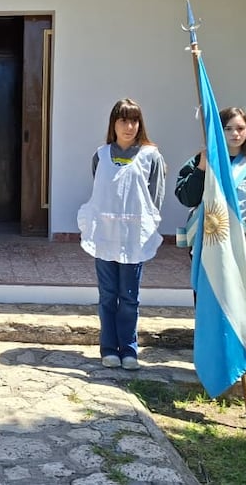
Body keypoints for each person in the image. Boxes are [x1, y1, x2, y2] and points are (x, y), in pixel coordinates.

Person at [76, 98, 165, 371]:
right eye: (123, 120)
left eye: (134, 120)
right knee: (107, 295)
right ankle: (108, 348)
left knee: (129, 296)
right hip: (105, 237)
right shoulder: (101, 154)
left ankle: (129, 349)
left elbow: (155, 197)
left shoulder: (151, 156)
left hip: (133, 239)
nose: (129, 126)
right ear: (113, 124)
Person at [174, 106, 246, 310]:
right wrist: (202, 168)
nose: (235, 133)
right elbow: (187, 197)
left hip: (244, 249)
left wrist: (243, 229)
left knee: (241, 310)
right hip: (208, 247)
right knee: (209, 309)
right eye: (227, 128)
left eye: (240, 128)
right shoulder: (201, 162)